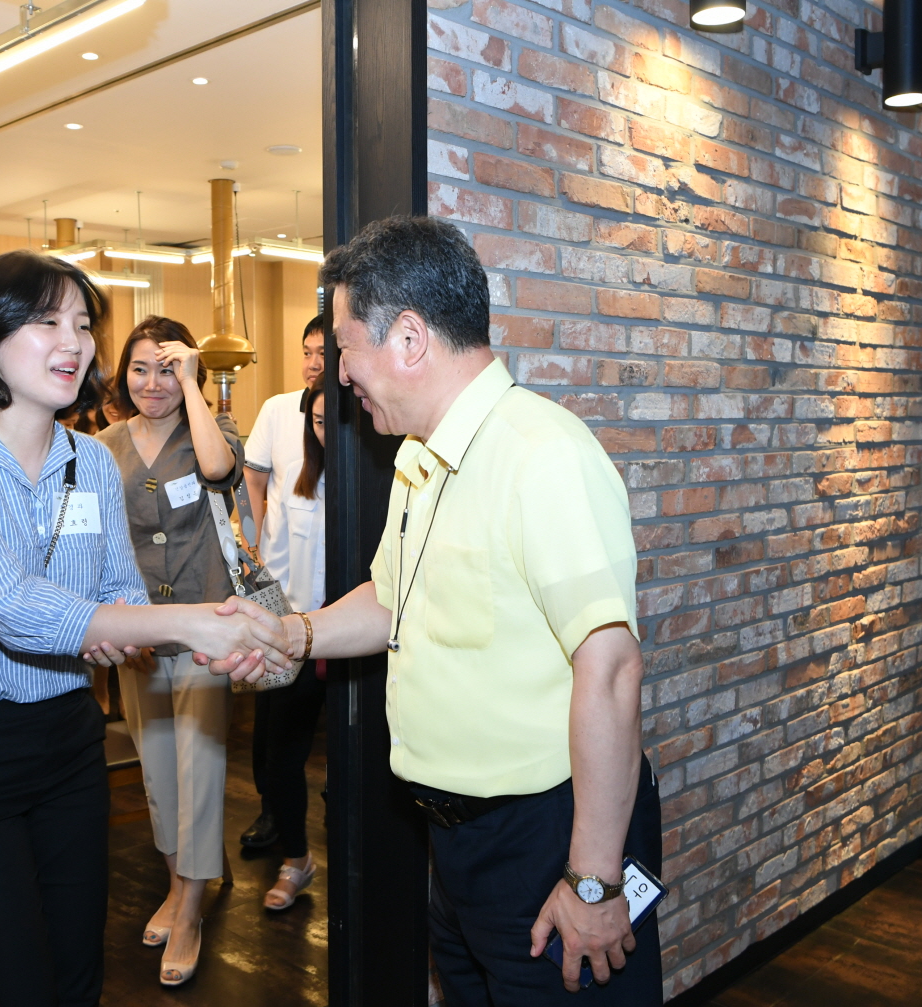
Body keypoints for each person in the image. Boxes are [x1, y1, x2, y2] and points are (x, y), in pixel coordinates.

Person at [213, 217, 661, 1005]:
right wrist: (293, 633)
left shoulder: (541, 453)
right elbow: (393, 598)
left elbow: (612, 665)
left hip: (550, 840)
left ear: (410, 338)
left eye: (345, 345)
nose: (338, 372)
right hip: (457, 844)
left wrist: (591, 881)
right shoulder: (423, 457)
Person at [0, 250, 290, 1007]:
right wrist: (189, 625)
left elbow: (114, 589)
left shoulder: (90, 460)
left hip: (68, 742)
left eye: (81, 323)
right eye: (47, 321)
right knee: (11, 981)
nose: (72, 341)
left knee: (79, 972)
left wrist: (119, 628)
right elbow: (11, 604)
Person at [96, 316, 242, 987]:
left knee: (200, 768)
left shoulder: (209, 431)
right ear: (121, 374)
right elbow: (93, 539)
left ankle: (190, 909)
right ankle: (177, 885)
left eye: (167, 367)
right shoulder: (100, 446)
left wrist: (193, 387)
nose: (151, 383)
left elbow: (218, 469)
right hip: (140, 636)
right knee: (157, 771)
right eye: (140, 368)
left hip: (207, 624)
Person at [240, 316, 326, 854]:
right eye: (307, 351)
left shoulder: (349, 411)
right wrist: (253, 539)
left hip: (331, 603)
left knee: (310, 731)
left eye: (325, 353)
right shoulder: (278, 408)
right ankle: (274, 814)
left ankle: (311, 826)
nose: (314, 362)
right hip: (276, 590)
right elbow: (253, 477)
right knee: (269, 723)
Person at [256, 386, 328, 910]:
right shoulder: (297, 479)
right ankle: (296, 857)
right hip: (295, 631)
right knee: (284, 753)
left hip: (353, 638)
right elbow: (274, 554)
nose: (325, 430)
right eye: (318, 421)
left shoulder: (374, 473)